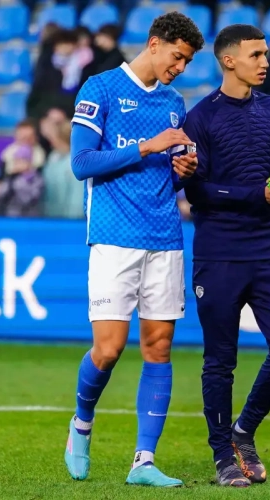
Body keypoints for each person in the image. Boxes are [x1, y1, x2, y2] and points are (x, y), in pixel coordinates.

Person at [63, 12, 204, 488]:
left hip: (165, 236)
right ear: (154, 43)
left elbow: (171, 165)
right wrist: (147, 147)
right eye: (178, 57)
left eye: (186, 61)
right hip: (113, 237)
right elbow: (82, 163)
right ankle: (81, 424)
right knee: (108, 349)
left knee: (159, 346)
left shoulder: (173, 103)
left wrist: (183, 169)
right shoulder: (100, 89)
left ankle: (143, 461)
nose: (180, 68)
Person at [182, 24, 270, 488]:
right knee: (220, 360)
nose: (265, 62)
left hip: (269, 250)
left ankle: (243, 429)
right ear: (228, 60)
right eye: (256, 54)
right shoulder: (202, 118)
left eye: (266, 54)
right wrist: (259, 193)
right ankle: (222, 457)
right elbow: (198, 191)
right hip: (219, 254)